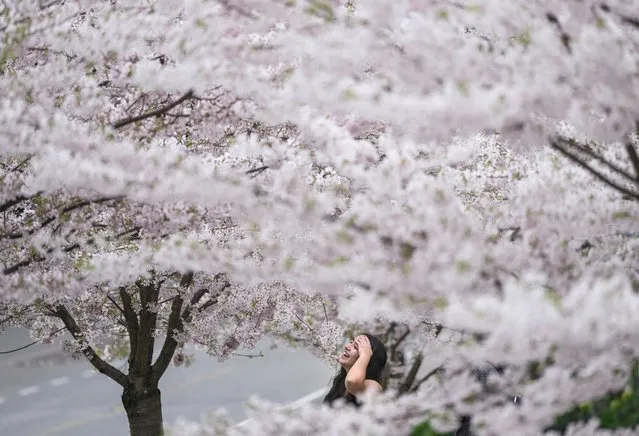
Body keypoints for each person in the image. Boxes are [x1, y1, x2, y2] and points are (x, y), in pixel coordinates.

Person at [323, 333, 388, 407]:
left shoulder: (374, 386)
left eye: (356, 347)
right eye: (351, 342)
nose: (347, 347)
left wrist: (365, 354)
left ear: (369, 359)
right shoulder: (340, 381)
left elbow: (352, 381)